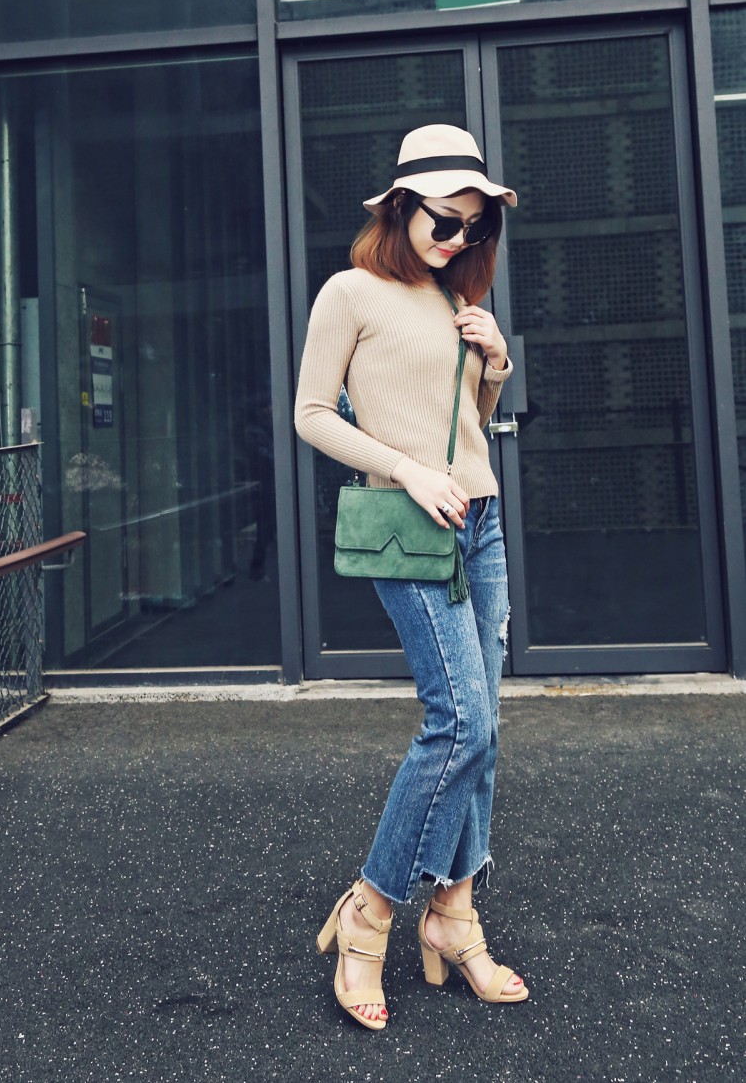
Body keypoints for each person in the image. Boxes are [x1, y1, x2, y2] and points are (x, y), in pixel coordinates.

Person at [294, 124, 528, 1030]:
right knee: (457, 719)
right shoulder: (350, 292)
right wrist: (406, 470)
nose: (459, 238)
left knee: (485, 729)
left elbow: (468, 422)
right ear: (400, 207)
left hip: (481, 520)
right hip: (409, 521)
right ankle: (372, 909)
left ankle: (454, 912)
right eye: (445, 219)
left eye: (475, 225)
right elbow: (313, 413)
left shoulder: (452, 297)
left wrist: (494, 361)